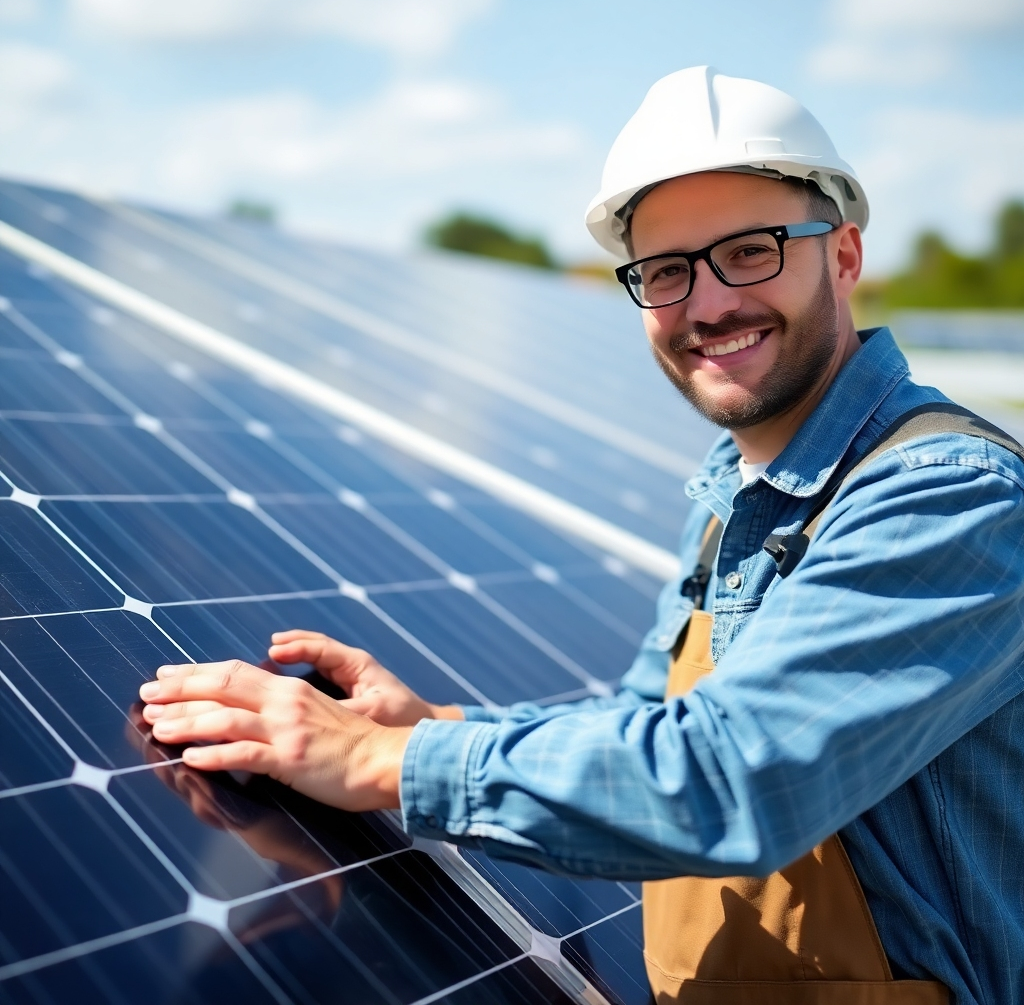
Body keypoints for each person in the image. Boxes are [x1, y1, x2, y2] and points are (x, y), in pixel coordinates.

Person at [139, 67, 1024, 1004]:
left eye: (752, 251)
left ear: (843, 256)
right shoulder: (737, 498)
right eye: (667, 271)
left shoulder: (945, 496)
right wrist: (436, 728)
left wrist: (377, 762)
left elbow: (731, 779)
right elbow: (648, 733)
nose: (710, 304)